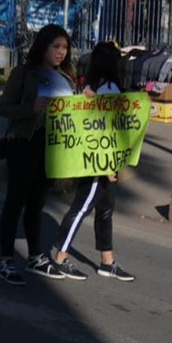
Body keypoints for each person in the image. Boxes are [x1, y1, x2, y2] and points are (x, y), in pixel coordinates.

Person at [0, 23, 75, 285]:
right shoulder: (23, 72)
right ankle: (6, 260)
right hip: (23, 144)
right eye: (56, 46)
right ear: (43, 46)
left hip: (51, 148)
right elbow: (4, 108)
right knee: (15, 202)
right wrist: (32, 108)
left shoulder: (66, 77)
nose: (61, 52)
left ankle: (35, 257)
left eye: (64, 47)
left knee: (37, 204)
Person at [50, 42, 135, 282]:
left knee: (105, 210)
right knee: (82, 208)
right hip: (100, 163)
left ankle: (107, 262)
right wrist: (109, 167)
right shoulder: (109, 89)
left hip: (96, 159)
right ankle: (61, 258)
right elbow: (105, 131)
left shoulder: (89, 86)